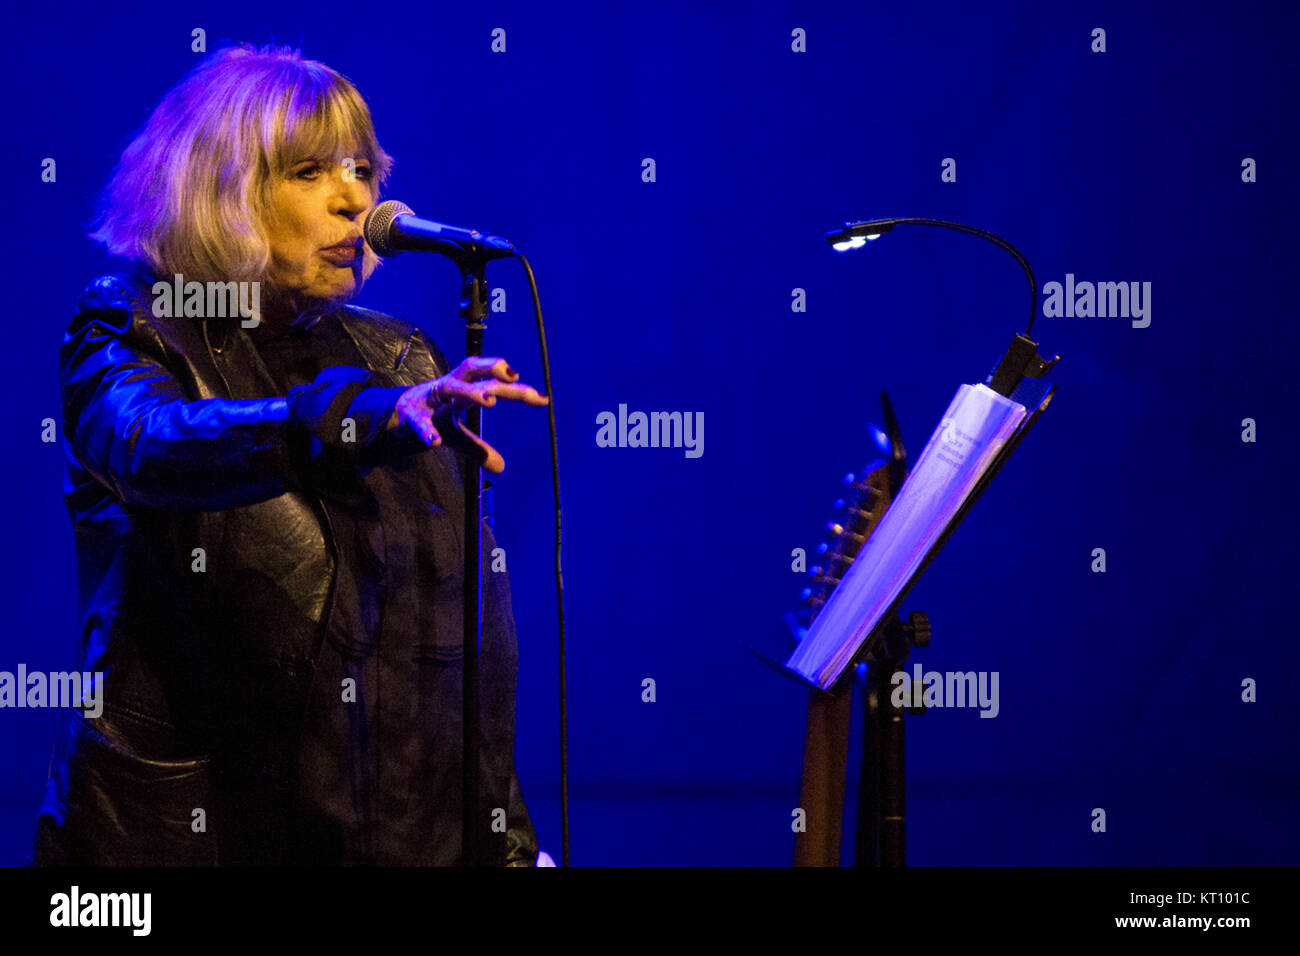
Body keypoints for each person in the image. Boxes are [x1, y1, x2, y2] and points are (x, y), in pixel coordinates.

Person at [30, 43, 549, 866]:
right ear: (220, 189)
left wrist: (508, 847)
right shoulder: (131, 324)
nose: (354, 199)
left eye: (360, 169)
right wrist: (351, 419)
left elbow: (464, 652)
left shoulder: (403, 360)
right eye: (309, 172)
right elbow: (151, 447)